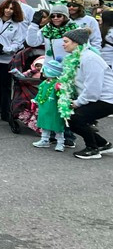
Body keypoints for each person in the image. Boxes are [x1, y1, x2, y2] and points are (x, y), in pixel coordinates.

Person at [61, 27, 113, 159]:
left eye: (66, 41)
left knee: (77, 118)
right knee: (72, 118)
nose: (63, 44)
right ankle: (103, 144)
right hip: (99, 98)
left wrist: (78, 103)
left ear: (76, 43)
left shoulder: (89, 59)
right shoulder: (79, 56)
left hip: (107, 99)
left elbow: (93, 89)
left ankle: (93, 149)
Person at [31, 59, 66, 152]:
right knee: (44, 124)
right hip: (44, 107)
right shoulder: (44, 83)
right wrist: (36, 100)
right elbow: (40, 92)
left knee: (57, 126)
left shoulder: (58, 84)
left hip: (54, 109)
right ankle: (44, 140)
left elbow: (62, 96)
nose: (43, 72)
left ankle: (60, 143)